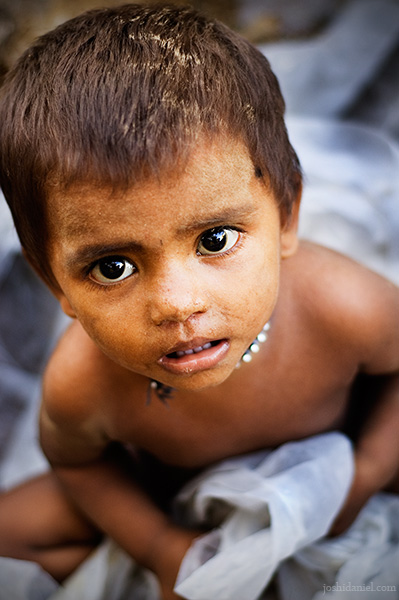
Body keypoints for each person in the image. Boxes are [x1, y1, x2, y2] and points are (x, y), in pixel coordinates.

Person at [0, 4, 398, 599]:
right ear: (55, 283)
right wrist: (160, 543)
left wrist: (366, 471)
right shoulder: (82, 383)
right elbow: (81, 465)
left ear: (287, 216)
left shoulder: (344, 306)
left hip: (335, 462)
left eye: (214, 240)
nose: (177, 305)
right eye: (113, 267)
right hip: (173, 497)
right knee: (10, 528)